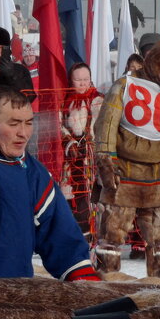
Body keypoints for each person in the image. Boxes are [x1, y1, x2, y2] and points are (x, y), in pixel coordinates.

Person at [0, 88, 99, 283]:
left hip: (17, 297)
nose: (23, 133)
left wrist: (88, 286)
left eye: (28, 123)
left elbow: (62, 239)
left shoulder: (34, 173)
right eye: (13, 124)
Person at [92, 39, 160, 282]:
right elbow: (106, 126)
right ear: (157, 61)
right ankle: (106, 287)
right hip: (124, 173)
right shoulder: (124, 85)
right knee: (112, 236)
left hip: (159, 175)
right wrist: (106, 162)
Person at [59, 62, 103, 243]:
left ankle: (96, 235)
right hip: (72, 158)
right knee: (72, 196)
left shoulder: (99, 100)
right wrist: (69, 143)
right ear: (71, 81)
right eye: (78, 80)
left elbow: (104, 128)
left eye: (86, 79)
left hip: (92, 158)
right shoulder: (65, 101)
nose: (82, 83)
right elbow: (59, 127)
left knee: (93, 196)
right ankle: (77, 235)